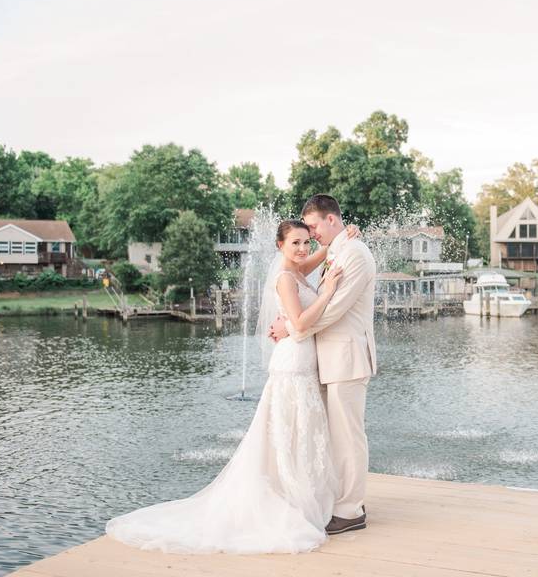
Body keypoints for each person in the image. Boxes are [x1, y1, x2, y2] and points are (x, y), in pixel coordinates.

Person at [105, 219, 346, 554]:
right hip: (292, 364)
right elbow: (303, 325)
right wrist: (329, 292)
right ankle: (291, 500)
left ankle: (304, 496)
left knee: (299, 434)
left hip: (303, 364)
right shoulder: (285, 279)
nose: (303, 249)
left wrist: (342, 237)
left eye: (306, 242)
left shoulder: (300, 269)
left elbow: (317, 257)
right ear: (280, 246)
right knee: (288, 434)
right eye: (295, 243)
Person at [269, 194, 377, 535]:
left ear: (331, 219)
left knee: (348, 436)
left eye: (314, 226)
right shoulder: (338, 248)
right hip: (324, 358)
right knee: (332, 436)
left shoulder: (355, 254)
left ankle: (350, 510)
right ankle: (340, 499)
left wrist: (291, 325)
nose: (311, 235)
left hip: (346, 358)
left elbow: (334, 310)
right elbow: (303, 274)